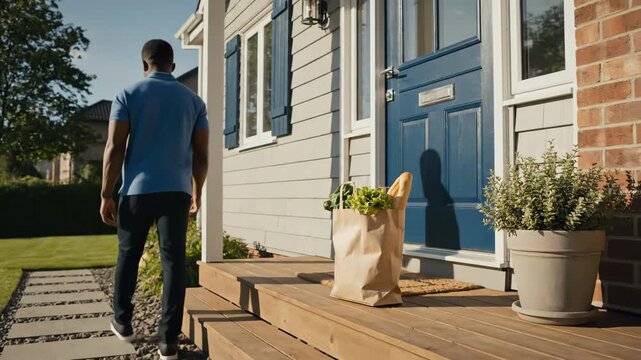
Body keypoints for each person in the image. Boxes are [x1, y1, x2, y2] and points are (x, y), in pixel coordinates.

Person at [100, 39, 209, 360]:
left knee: (128, 255)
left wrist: (106, 192)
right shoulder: (194, 101)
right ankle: (168, 343)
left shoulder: (127, 94)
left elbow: (114, 147)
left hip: (135, 191)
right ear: (172, 66)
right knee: (173, 262)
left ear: (144, 64)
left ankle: (122, 322)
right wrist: (197, 190)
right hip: (176, 192)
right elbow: (201, 154)